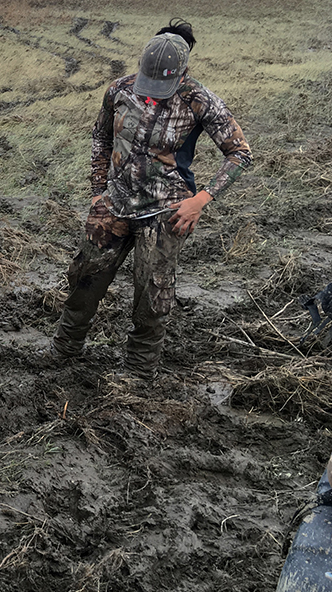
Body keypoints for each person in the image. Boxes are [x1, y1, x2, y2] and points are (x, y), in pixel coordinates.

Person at [49, 19, 252, 377]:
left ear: (183, 71)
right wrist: (98, 192)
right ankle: (63, 351)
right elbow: (100, 138)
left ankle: (139, 373)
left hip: (166, 212)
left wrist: (200, 199)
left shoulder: (199, 100)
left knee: (152, 298)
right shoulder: (119, 90)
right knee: (83, 282)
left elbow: (240, 153)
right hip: (114, 205)